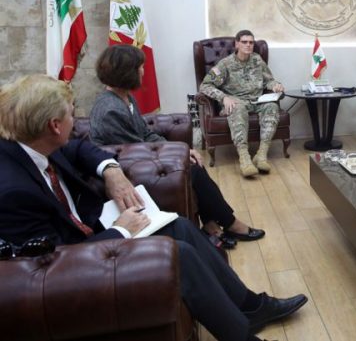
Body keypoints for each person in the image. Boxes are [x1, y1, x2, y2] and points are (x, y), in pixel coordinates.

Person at [0, 74, 307, 341]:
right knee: (179, 255)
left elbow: (80, 146)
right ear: (54, 126)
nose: (76, 121)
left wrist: (111, 170)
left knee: (180, 226)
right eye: (71, 115)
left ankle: (251, 306)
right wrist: (121, 230)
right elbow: (47, 269)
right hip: (71, 268)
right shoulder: (13, 191)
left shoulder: (32, 142)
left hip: (90, 232)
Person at [89, 45, 264, 248]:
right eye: (140, 67)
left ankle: (210, 223)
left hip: (139, 158)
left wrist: (181, 149)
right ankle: (230, 223)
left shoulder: (124, 97)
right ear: (126, 72)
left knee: (193, 162)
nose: (143, 72)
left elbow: (145, 134)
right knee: (193, 169)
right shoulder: (110, 109)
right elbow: (135, 149)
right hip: (128, 171)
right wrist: (177, 154)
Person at [199, 30, 285, 177]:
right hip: (236, 101)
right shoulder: (225, 64)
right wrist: (223, 98)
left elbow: (269, 80)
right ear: (237, 44)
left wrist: (276, 85)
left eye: (251, 42)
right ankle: (244, 158)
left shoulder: (257, 60)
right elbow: (205, 86)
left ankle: (261, 154)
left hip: (257, 101)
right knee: (236, 108)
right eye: (244, 42)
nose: (248, 45)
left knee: (272, 106)